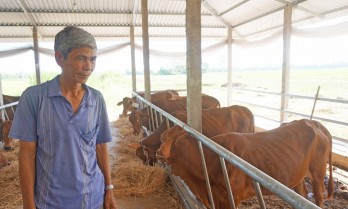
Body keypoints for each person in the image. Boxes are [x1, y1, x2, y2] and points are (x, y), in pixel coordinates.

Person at [9, 26, 117, 209]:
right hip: (50, 202)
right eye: (81, 58)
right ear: (59, 58)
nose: (88, 66)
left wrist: (109, 188)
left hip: (92, 198)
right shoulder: (34, 98)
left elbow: (100, 146)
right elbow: (27, 156)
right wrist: (29, 204)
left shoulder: (96, 99)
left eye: (93, 59)